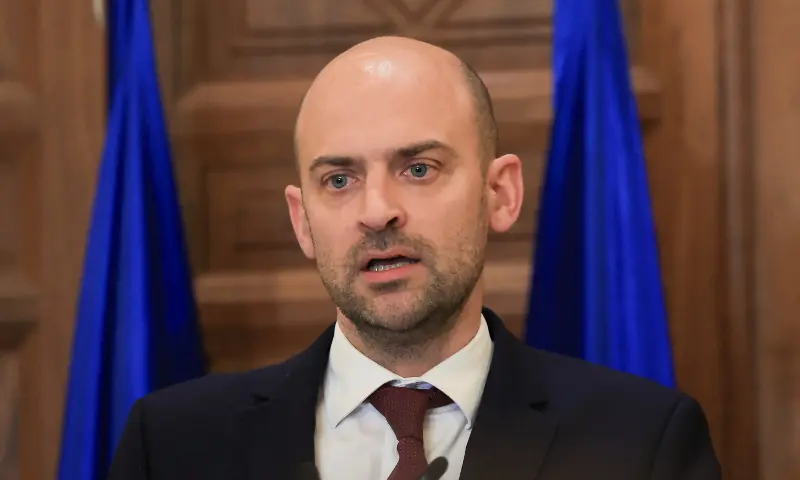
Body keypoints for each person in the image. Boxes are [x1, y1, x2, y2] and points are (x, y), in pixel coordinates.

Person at [108, 36, 721, 480]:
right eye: (340, 179)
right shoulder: (173, 446)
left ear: (499, 194)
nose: (377, 211)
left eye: (419, 168)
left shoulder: (640, 444)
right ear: (302, 221)